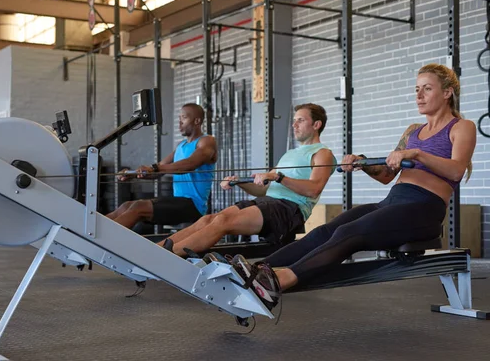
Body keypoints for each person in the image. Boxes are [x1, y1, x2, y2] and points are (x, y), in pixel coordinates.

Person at [225, 63, 477, 311]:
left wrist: (417, 154)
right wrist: (362, 163)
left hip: (424, 208)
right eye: (416, 89)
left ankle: (278, 282)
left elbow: (456, 169)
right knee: (325, 231)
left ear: (447, 93)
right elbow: (387, 176)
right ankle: (253, 271)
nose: (419, 96)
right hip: (392, 202)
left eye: (427, 89)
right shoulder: (413, 131)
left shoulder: (461, 127)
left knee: (350, 233)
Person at [159, 103, 336, 257]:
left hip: (288, 210)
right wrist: (239, 182)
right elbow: (263, 189)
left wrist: (279, 177)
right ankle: (155, 250)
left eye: (300, 120)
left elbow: (314, 189)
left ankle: (166, 257)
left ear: (316, 125)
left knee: (222, 223)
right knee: (209, 219)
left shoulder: (322, 153)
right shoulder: (290, 153)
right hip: (267, 201)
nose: (294, 124)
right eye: (295, 120)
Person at [106, 103, 217, 229]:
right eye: (179, 118)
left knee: (138, 208)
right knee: (126, 206)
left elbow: (188, 165)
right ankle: (90, 235)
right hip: (178, 201)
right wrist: (133, 174)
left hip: (193, 206)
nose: (180, 123)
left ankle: (103, 241)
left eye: (184, 118)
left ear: (197, 121)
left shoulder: (207, 141)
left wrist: (153, 168)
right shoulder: (181, 146)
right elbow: (158, 169)